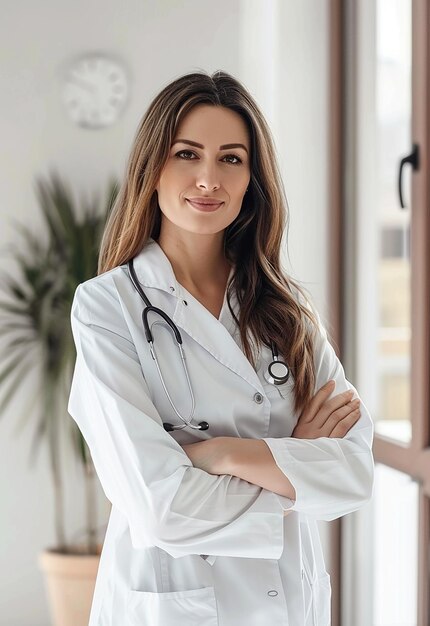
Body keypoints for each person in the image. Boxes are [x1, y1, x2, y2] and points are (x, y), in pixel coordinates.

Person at [67, 69, 374, 626]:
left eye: (231, 158)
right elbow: (161, 509)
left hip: (288, 599)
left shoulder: (289, 313)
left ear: (251, 180)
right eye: (188, 154)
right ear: (153, 167)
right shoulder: (107, 308)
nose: (209, 178)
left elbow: (353, 473)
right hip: (174, 605)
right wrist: (293, 464)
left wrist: (218, 455)